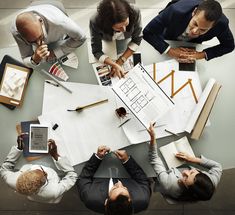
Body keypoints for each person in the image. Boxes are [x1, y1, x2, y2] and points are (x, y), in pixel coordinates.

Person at [147, 123, 222, 201]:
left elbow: (154, 158)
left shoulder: (169, 184)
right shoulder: (211, 182)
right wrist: (193, 159)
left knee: (153, 173)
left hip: (166, 173)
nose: (185, 172)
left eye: (185, 179)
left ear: (186, 189)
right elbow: (217, 166)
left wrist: (152, 137)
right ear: (202, 175)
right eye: (192, 173)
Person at [143, 0, 234, 63]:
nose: (194, 31)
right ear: (194, 12)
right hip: (169, 36)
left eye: (203, 30)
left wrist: (201, 54)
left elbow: (229, 46)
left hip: (193, 45)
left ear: (213, 26)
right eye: (195, 23)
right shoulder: (175, 11)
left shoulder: (222, 24)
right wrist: (170, 50)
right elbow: (148, 32)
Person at [0, 135, 78, 203]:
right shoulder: (54, 191)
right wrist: (56, 155)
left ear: (23, 173)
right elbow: (73, 176)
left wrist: (18, 149)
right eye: (44, 173)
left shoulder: (13, 181)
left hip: (32, 196)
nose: (44, 171)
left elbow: (3, 170)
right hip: (50, 198)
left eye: (33, 170)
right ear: (45, 179)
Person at [77, 146, 151, 214]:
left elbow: (83, 178)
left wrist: (98, 157)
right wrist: (127, 160)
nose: (119, 183)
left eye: (114, 188)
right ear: (130, 201)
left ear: (106, 202)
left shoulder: (90, 198)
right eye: (124, 188)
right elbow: (143, 180)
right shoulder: (142, 199)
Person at [11, 3, 86, 68]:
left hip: (58, 34)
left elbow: (81, 38)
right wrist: (34, 59)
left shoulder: (59, 22)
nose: (39, 44)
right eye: (32, 41)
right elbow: (25, 57)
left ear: (40, 21)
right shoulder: (16, 31)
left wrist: (56, 53)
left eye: (40, 37)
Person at [90, 0, 142, 78]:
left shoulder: (135, 11)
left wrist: (120, 61)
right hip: (108, 42)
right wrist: (113, 64)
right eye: (119, 27)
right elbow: (96, 51)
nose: (124, 29)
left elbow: (137, 39)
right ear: (107, 24)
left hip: (125, 43)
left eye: (126, 24)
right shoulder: (95, 21)